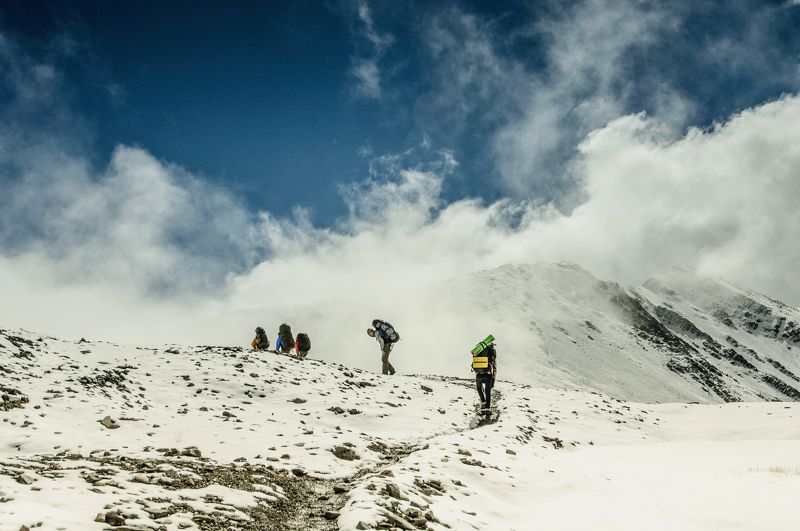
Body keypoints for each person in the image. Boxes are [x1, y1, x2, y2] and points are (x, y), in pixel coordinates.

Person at [471, 335, 497, 410]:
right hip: (488, 375)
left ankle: (483, 402)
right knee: (487, 391)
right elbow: (494, 368)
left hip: (478, 374)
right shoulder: (492, 353)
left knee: (479, 388)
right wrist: (493, 379)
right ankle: (487, 408)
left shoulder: (478, 351)